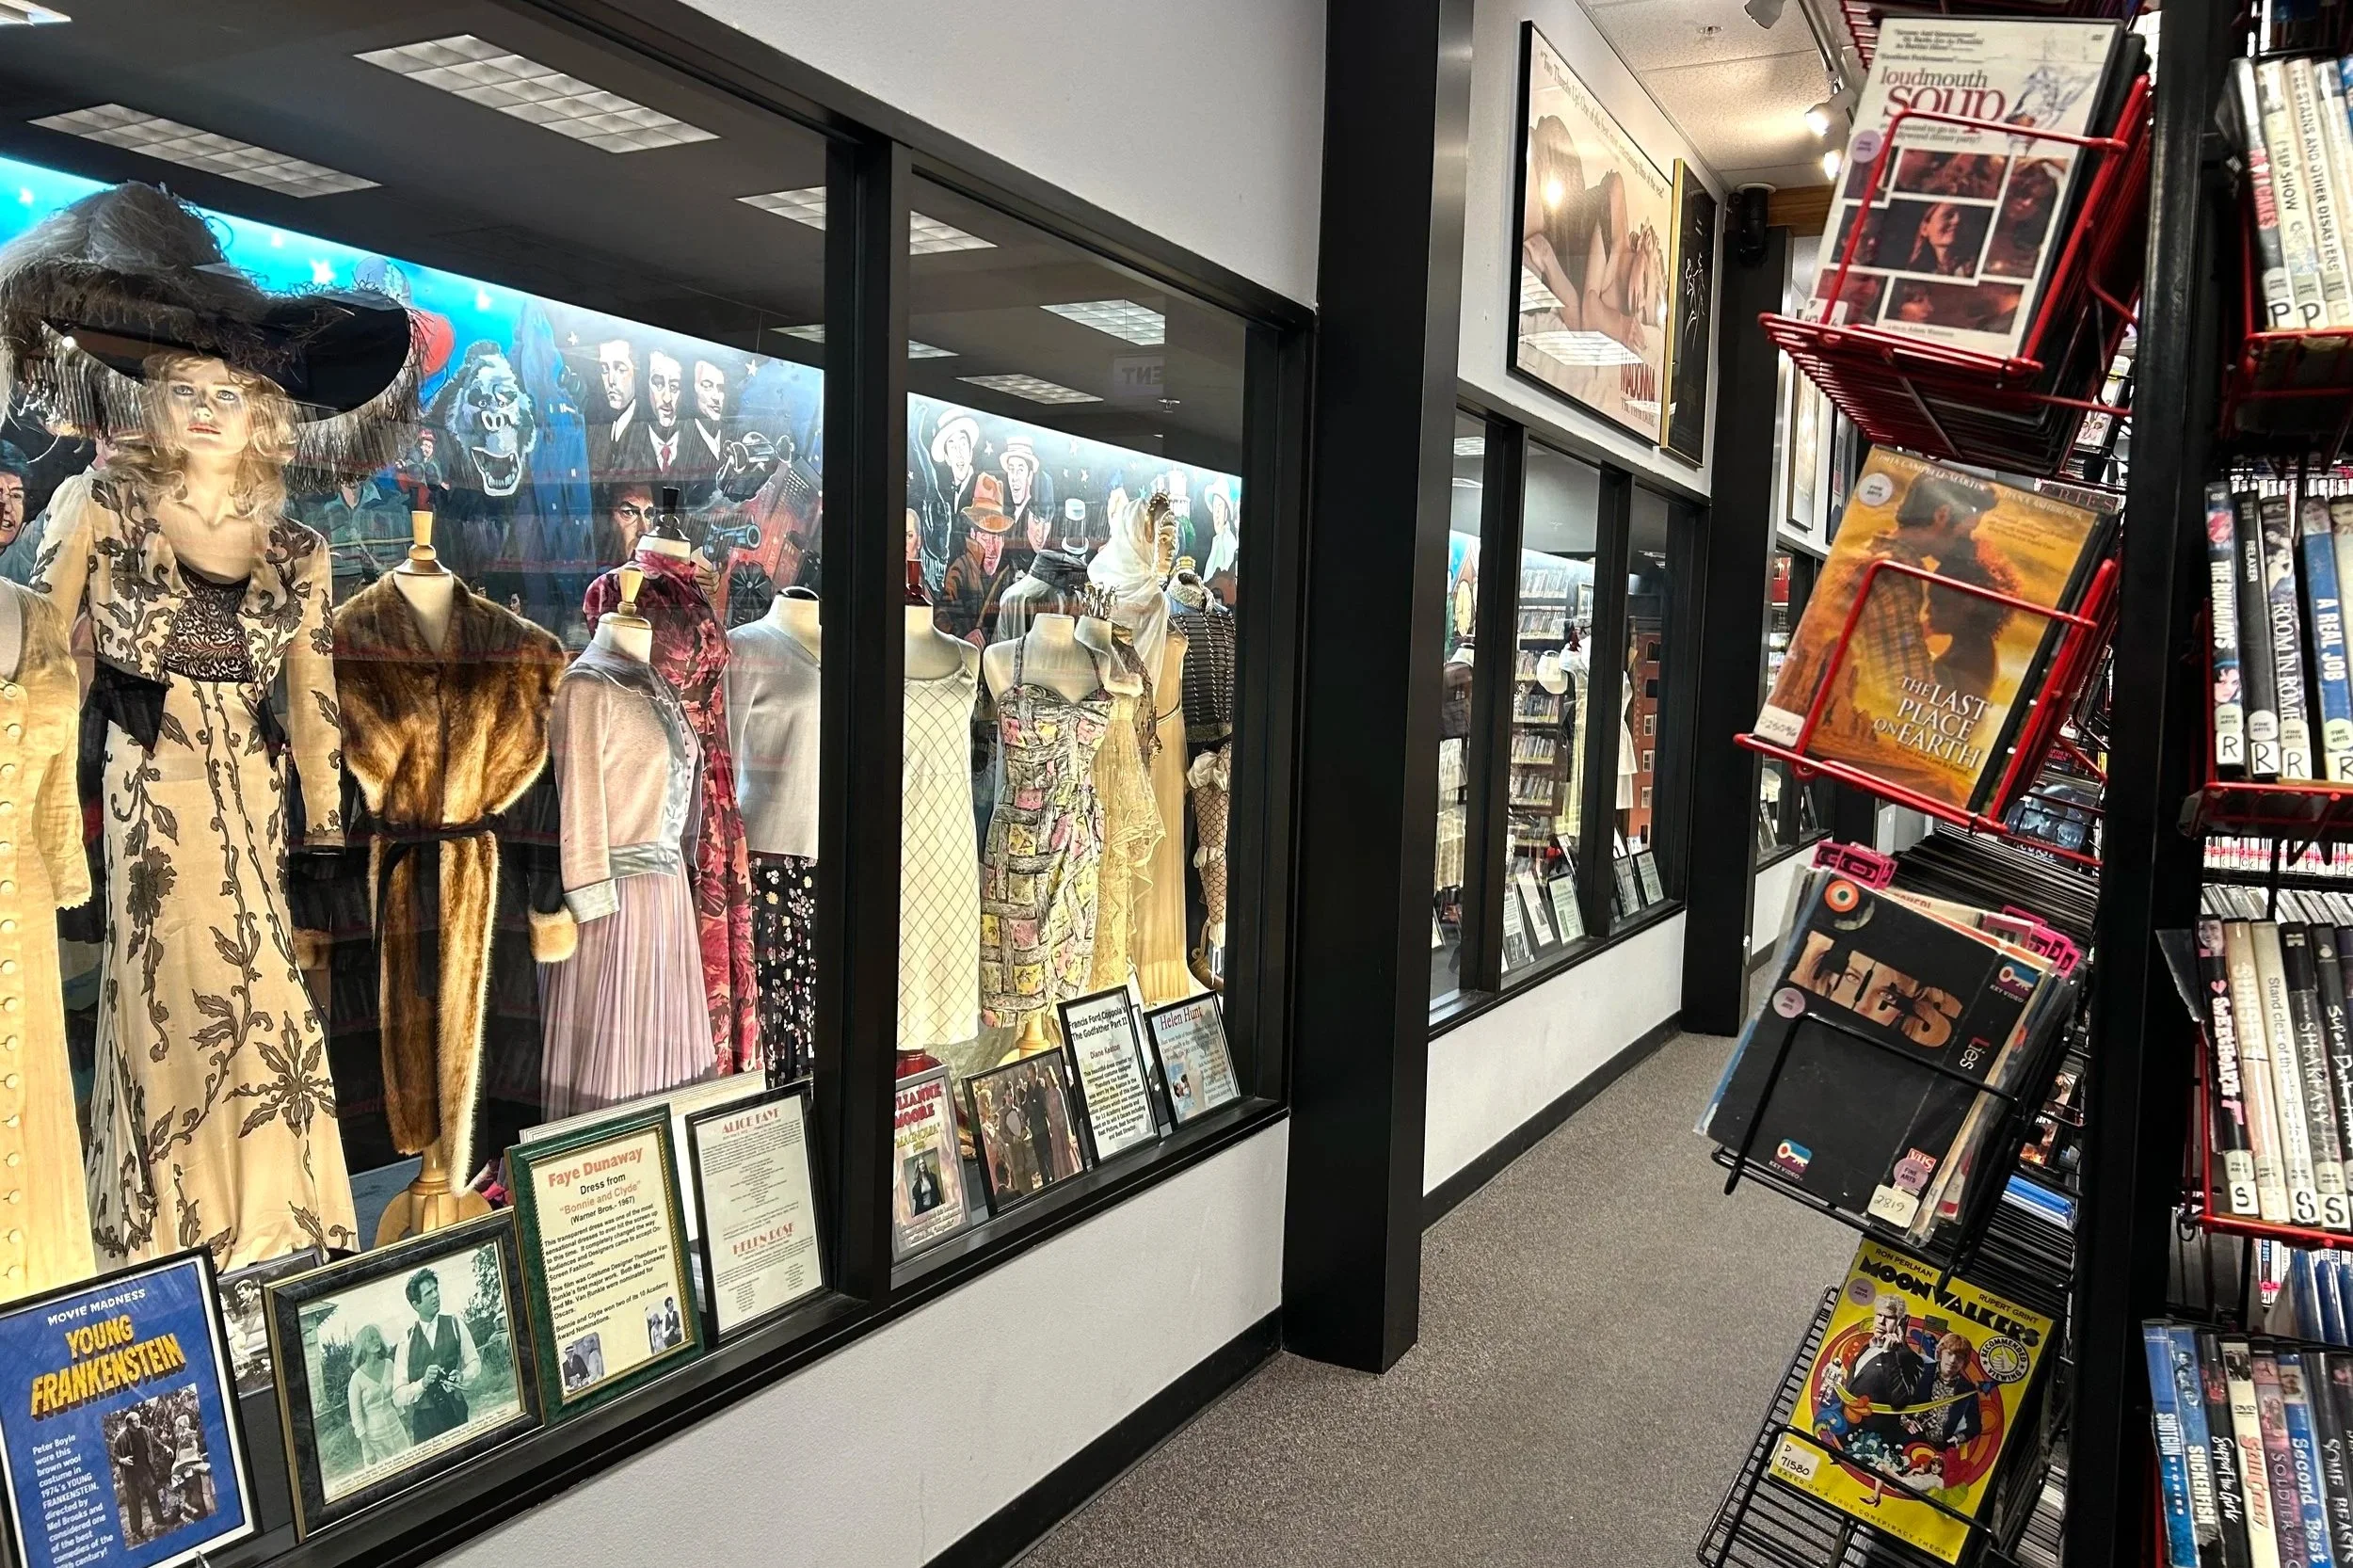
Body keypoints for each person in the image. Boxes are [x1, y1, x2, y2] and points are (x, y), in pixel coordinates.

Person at [392, 1267, 481, 1443]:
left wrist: (462, 1376)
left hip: (456, 1413)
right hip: (426, 1424)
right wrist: (422, 1383)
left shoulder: (455, 1324)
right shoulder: (406, 1341)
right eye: (428, 1293)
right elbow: (398, 1396)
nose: (435, 1295)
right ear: (416, 1305)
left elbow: (474, 1363)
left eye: (435, 1289)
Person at [346, 1322, 411, 1466]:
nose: (376, 1341)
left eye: (377, 1338)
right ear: (363, 1346)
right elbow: (356, 1415)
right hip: (375, 1439)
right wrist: (366, 1446)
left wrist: (403, 1421)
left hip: (396, 1429)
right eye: (371, 1339)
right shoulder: (356, 1378)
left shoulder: (389, 1365)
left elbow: (396, 1396)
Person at [110, 1407, 166, 1543]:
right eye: (135, 1421)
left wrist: (165, 1447)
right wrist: (122, 1460)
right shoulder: (120, 1439)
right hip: (131, 1474)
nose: (139, 1422)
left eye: (139, 1420)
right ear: (129, 1424)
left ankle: (159, 1521)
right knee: (134, 1501)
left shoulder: (145, 1430)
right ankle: (137, 1531)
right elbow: (115, 1455)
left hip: (145, 1470)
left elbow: (155, 1442)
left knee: (152, 1494)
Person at [587, 337, 639, 476]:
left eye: (620, 369)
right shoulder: (596, 427)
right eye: (605, 370)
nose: (611, 380)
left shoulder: (644, 430)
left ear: (637, 372)